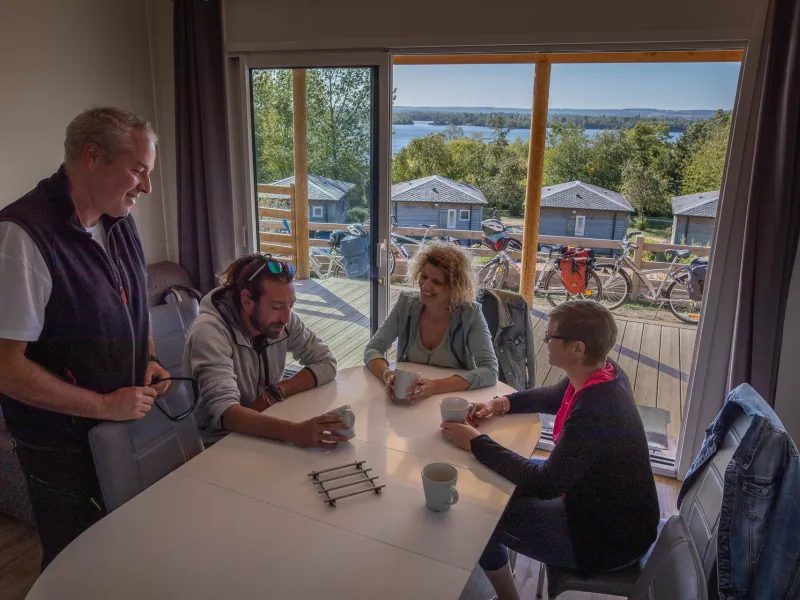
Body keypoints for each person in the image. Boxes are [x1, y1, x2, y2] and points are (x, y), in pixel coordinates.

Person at [0, 107, 171, 567]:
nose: (147, 187)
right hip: (63, 450)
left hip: (121, 427)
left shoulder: (119, 220)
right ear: (92, 156)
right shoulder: (22, 237)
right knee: (77, 564)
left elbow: (133, 302)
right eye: (138, 170)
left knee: (128, 553)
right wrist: (104, 405)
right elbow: (5, 368)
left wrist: (149, 359)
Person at [442, 301, 660, 600]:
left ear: (577, 348)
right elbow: (552, 396)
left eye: (551, 336)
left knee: (479, 512)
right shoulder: (603, 373)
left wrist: (475, 442)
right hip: (604, 510)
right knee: (492, 483)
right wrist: (500, 404)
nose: (544, 340)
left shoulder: (596, 409)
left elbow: (546, 483)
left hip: (605, 540)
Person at [185, 253, 346, 447]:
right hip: (218, 443)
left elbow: (326, 362)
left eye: (291, 305)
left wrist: (277, 391)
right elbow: (225, 412)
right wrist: (294, 432)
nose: (286, 318)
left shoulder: (280, 321)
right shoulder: (209, 332)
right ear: (247, 300)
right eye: (276, 306)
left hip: (265, 428)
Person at [364, 241, 498, 402]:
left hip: (451, 400)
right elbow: (373, 348)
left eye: (437, 282)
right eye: (424, 276)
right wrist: (388, 376)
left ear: (455, 287)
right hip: (409, 399)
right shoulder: (406, 304)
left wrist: (434, 386)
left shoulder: (470, 314)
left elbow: (490, 370)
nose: (425, 286)